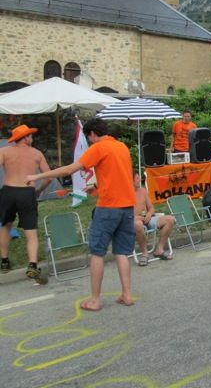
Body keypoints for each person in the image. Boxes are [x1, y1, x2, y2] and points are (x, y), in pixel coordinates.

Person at [27, 118, 135, 311]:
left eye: (89, 137)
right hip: (127, 206)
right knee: (122, 252)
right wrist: (98, 187)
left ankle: (95, 300)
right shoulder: (122, 147)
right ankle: (127, 295)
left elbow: (70, 169)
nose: (90, 140)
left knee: (97, 253)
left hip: (108, 207)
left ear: (92, 134)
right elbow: (118, 175)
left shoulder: (98, 147)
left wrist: (37, 176)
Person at [0, 124, 51, 284]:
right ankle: (32, 265)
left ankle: (4, 261)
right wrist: (38, 190)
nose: (32, 138)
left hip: (8, 191)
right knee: (31, 231)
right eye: (30, 135)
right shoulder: (36, 153)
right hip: (27, 192)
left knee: (6, 226)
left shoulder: (4, 151)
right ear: (26, 137)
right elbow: (48, 177)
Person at [133, 172, 175, 266]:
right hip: (134, 222)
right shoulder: (124, 194)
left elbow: (151, 208)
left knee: (170, 219)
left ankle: (159, 249)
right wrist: (139, 218)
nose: (139, 180)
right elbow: (125, 214)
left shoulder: (143, 191)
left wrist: (149, 214)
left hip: (147, 219)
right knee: (138, 224)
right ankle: (145, 253)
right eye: (137, 178)